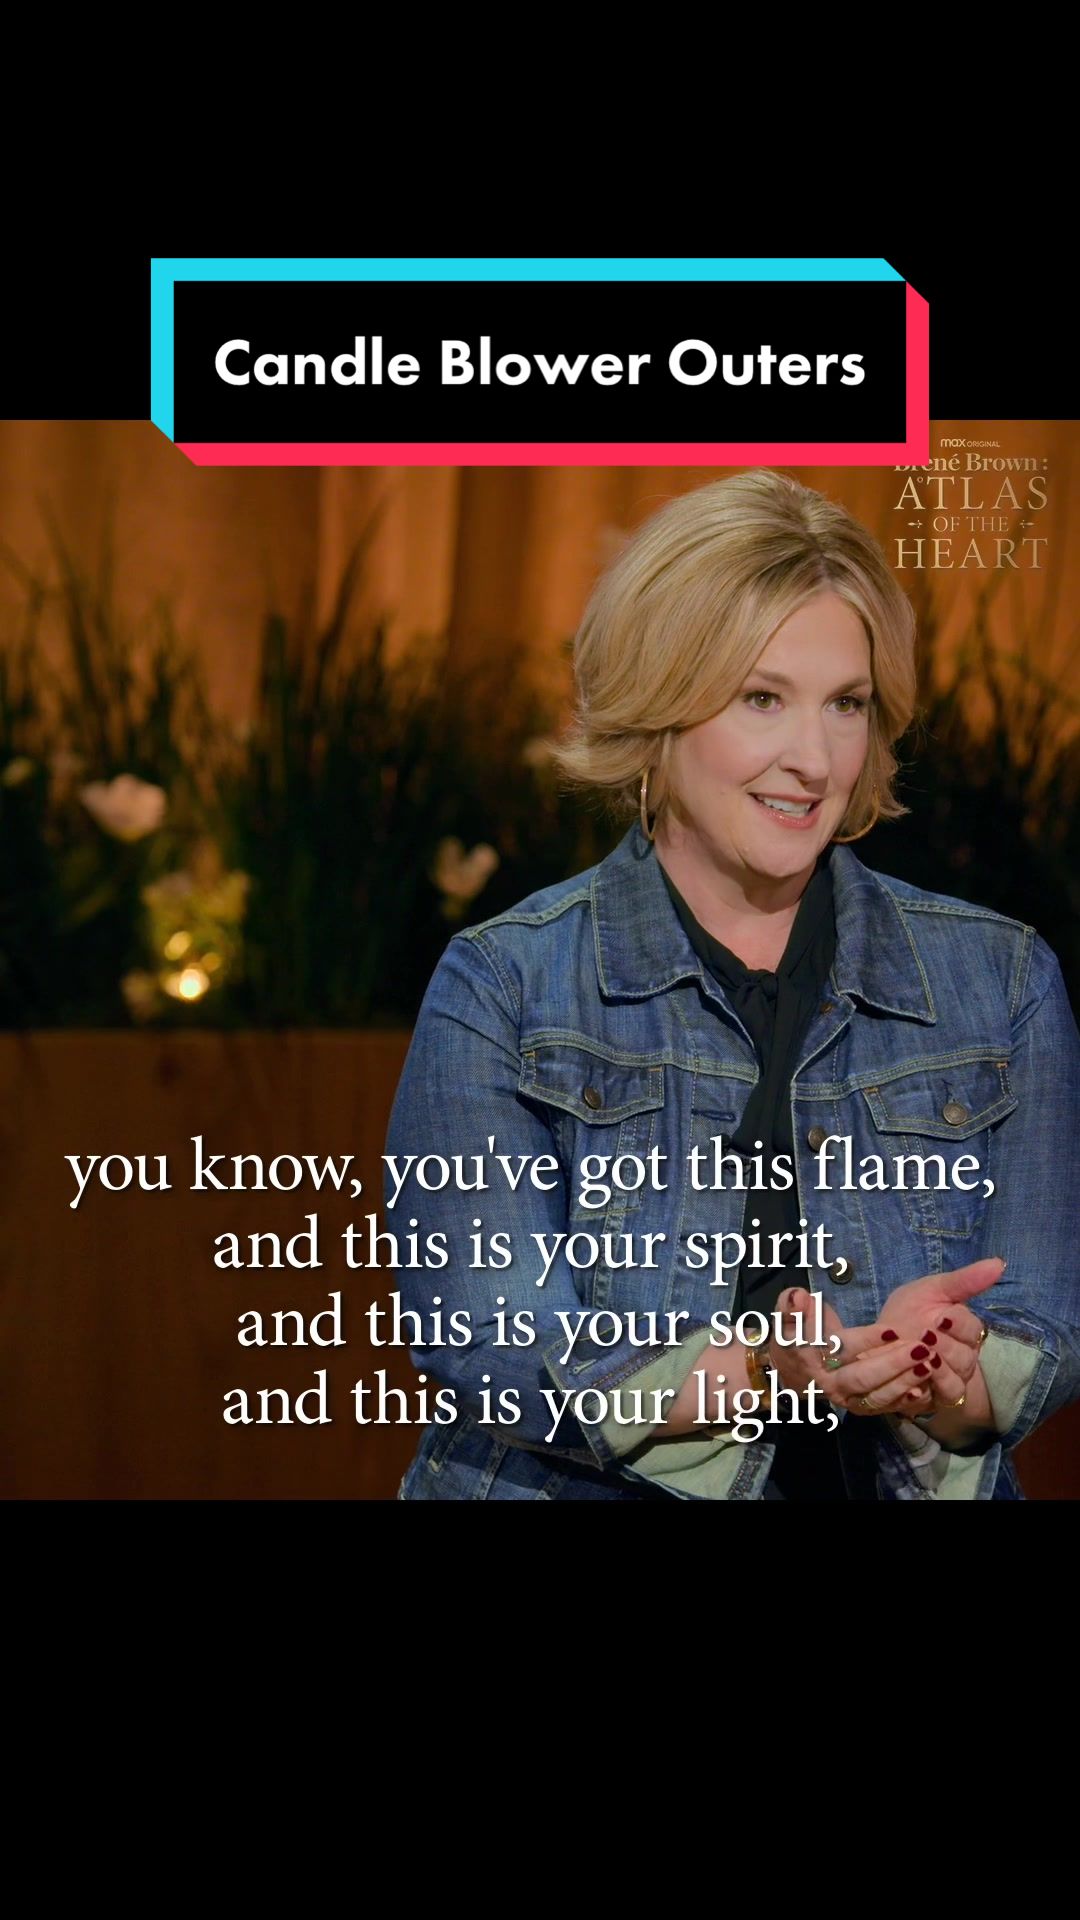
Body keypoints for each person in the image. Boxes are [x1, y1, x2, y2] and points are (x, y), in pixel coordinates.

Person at [385, 469, 1080, 1500]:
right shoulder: (505, 982)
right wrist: (764, 1373)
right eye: (763, 698)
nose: (815, 759)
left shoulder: (1003, 977)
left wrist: (934, 1372)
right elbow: (486, 1335)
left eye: (846, 704)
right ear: (658, 701)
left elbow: (1042, 1327)